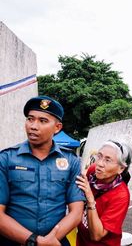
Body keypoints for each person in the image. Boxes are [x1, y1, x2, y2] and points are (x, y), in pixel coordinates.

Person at [0, 96, 85, 246]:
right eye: (30, 119)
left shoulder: (71, 161)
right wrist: (35, 241)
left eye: (43, 121)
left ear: (57, 127)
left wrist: (49, 241)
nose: (33, 126)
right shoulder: (6, 159)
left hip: (55, 242)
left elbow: (76, 212)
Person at [75, 140, 132, 245]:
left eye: (108, 160)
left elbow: (97, 235)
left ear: (121, 168)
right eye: (99, 156)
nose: (100, 164)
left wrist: (90, 200)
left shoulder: (121, 195)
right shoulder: (93, 171)